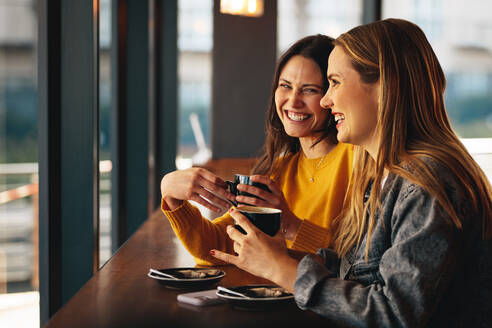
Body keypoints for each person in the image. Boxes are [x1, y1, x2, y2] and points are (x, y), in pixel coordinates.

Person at [211, 19, 492, 327]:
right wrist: (281, 256)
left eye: (335, 82)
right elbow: (359, 272)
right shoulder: (385, 174)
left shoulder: (428, 182)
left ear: (385, 86)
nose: (326, 100)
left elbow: (395, 314)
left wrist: (281, 269)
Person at [160, 35, 353, 266]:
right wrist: (171, 197)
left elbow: (356, 261)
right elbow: (218, 247)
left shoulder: (357, 159)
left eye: (309, 90)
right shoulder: (281, 170)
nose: (293, 101)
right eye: (285, 86)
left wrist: (289, 224)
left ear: (330, 96)